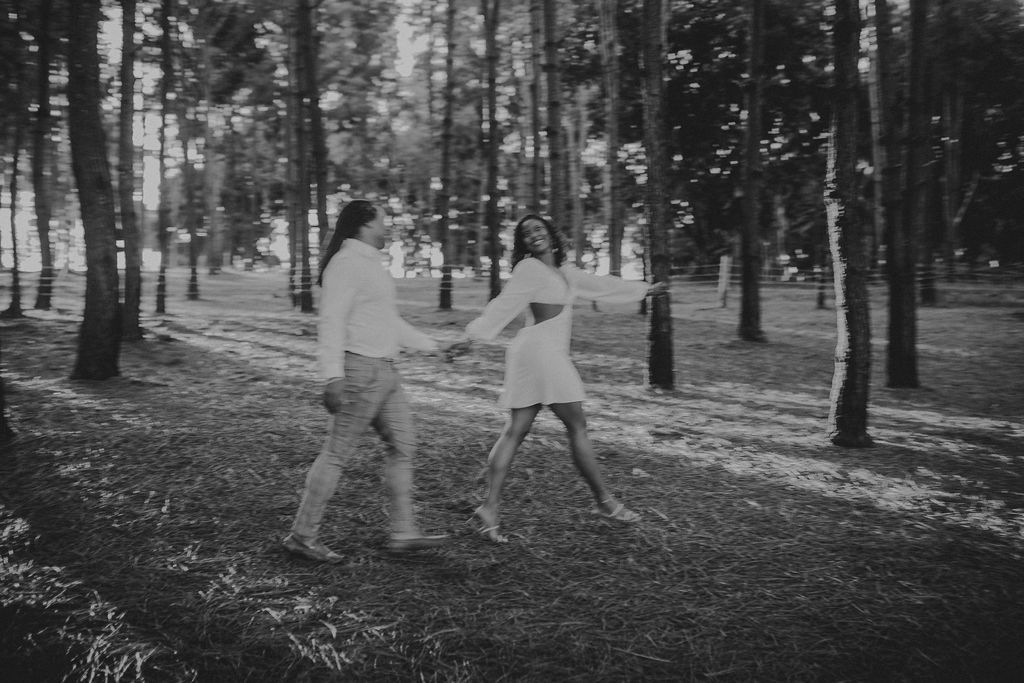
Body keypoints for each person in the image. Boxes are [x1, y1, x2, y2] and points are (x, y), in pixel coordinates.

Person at [446, 214, 667, 543]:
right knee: (577, 426)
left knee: (515, 430)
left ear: (551, 233)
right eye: (526, 233)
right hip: (540, 353)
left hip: (536, 353)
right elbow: (503, 305)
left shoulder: (565, 272)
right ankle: (606, 503)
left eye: (538, 228)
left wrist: (644, 290)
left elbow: (601, 284)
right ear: (523, 244)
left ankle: (490, 509)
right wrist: (472, 337)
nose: (533, 234)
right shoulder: (529, 269)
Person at [283, 199, 447, 562]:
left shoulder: (371, 264)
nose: (387, 227)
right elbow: (331, 320)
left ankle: (403, 531)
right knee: (337, 453)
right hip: (360, 371)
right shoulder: (347, 263)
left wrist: (433, 347)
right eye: (383, 220)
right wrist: (332, 376)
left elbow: (388, 322)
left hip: (386, 373)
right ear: (364, 223)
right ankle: (302, 536)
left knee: (403, 446)